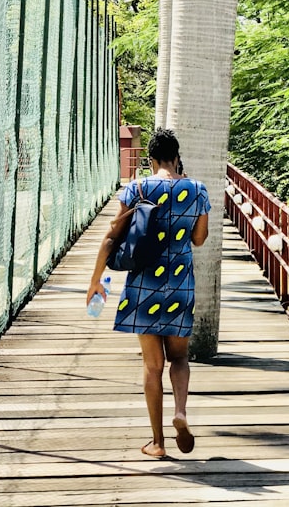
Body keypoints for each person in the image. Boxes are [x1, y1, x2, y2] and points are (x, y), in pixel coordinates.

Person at [87, 128, 210, 459]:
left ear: (151, 159)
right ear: (176, 155)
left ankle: (157, 443)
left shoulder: (137, 188)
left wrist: (96, 281)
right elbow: (199, 239)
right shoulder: (197, 190)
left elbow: (112, 238)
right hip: (181, 284)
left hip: (144, 288)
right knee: (180, 357)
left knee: (152, 366)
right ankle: (181, 411)